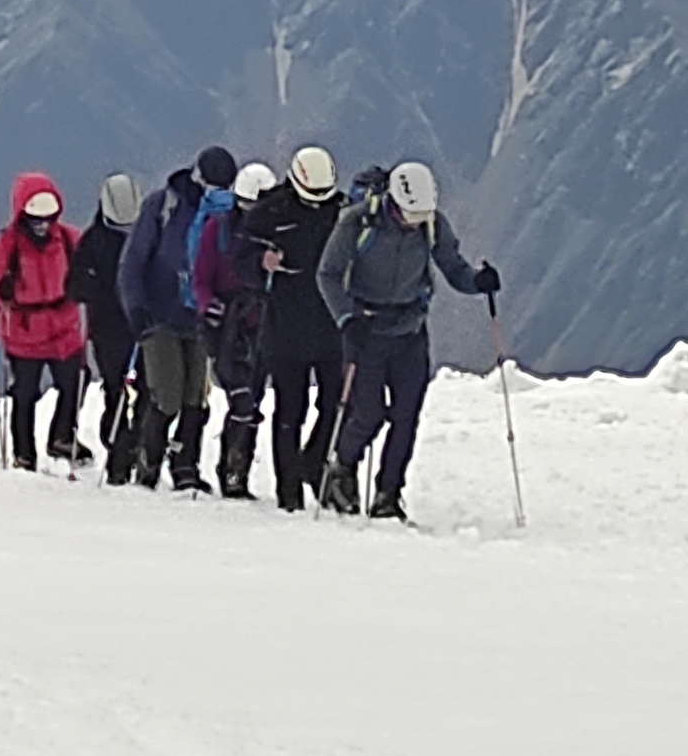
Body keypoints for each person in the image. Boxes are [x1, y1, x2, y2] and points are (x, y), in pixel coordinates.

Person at [317, 158, 498, 519]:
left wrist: (477, 282)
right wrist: (346, 318)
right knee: (368, 414)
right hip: (367, 331)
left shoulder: (431, 224)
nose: (416, 222)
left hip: (410, 331)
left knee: (406, 415)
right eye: (410, 215)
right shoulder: (357, 222)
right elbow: (329, 273)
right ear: (394, 202)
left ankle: (388, 492)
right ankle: (342, 468)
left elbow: (452, 266)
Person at [117, 146, 235, 491]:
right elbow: (133, 262)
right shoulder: (163, 207)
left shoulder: (225, 214)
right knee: (168, 394)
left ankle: (185, 464)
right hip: (159, 315)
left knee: (195, 397)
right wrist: (136, 308)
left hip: (200, 318)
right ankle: (149, 460)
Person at [0, 176, 88, 470]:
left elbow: (93, 263)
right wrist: (0, 289)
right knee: (24, 394)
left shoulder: (69, 239)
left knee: (75, 381)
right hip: (24, 333)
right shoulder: (6, 246)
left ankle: (62, 436)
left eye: (48, 219)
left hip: (63, 327)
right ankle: (24, 453)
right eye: (36, 220)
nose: (42, 226)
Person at [260, 147, 345, 510]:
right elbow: (238, 254)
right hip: (285, 327)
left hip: (329, 325)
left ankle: (313, 459)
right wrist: (258, 263)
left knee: (336, 403)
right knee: (290, 408)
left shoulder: (341, 213)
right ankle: (288, 490)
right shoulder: (270, 212)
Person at [193, 163, 279, 498]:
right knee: (243, 399)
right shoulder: (218, 230)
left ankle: (236, 469)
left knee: (252, 397)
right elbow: (201, 277)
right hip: (229, 326)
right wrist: (210, 307)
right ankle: (232, 469)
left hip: (261, 324)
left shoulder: (271, 234)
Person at [70, 175, 142, 478]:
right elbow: (74, 286)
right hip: (109, 328)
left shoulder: (142, 236)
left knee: (146, 391)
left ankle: (136, 446)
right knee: (116, 389)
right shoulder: (93, 241)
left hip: (137, 325)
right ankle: (118, 451)